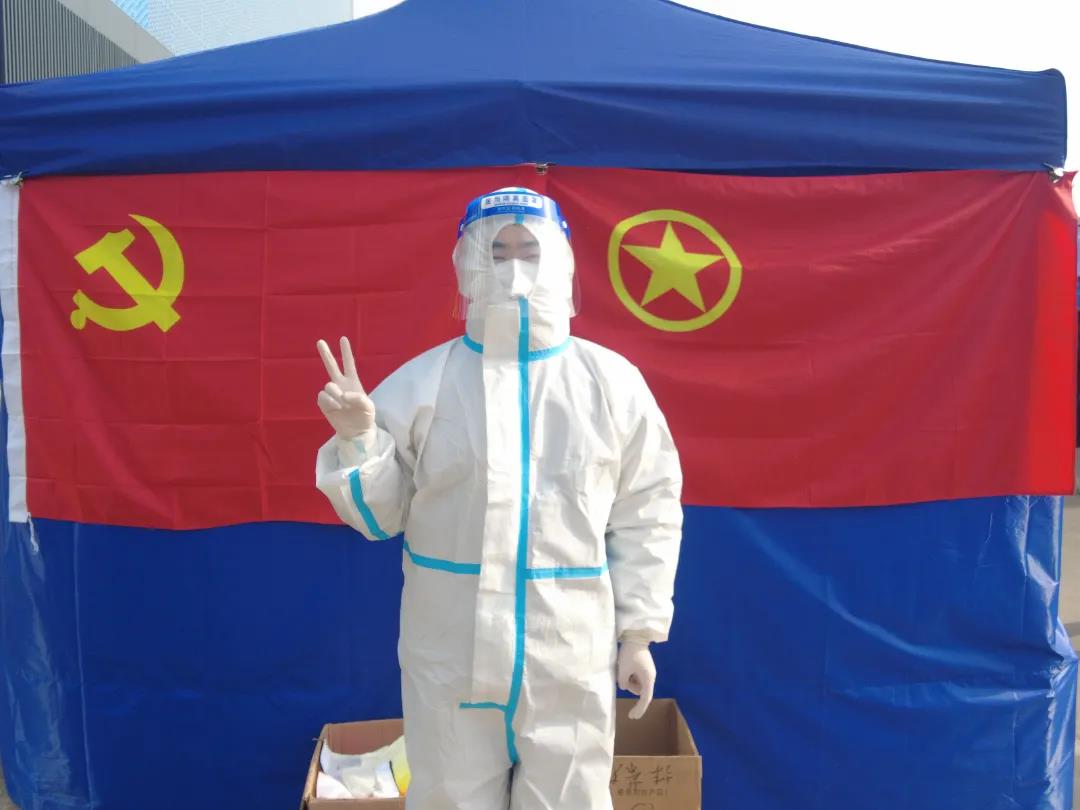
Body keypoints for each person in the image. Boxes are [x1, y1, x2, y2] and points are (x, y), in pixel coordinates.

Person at [315, 187, 683, 809]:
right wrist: (358, 441)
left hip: (568, 649)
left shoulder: (611, 384)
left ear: (561, 262)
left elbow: (647, 510)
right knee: (449, 798)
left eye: (529, 251)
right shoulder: (424, 384)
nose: (514, 268)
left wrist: (639, 634)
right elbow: (379, 518)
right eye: (497, 251)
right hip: (449, 653)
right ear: (467, 265)